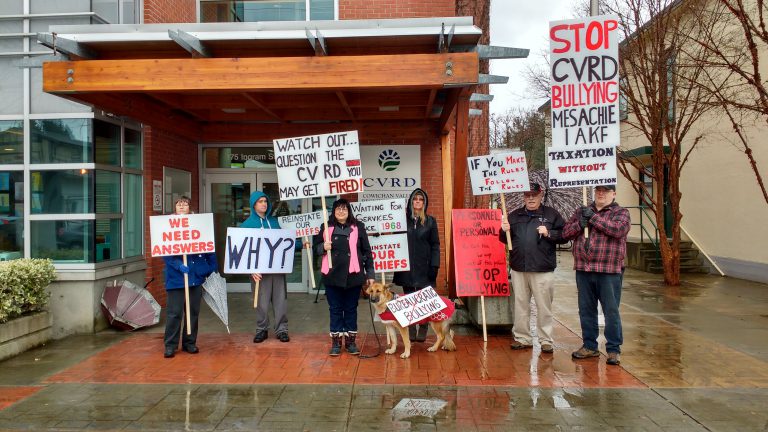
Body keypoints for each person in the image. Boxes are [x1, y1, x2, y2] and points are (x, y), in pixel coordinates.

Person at [562, 184, 630, 366]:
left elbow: (617, 230)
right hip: (584, 269)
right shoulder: (581, 211)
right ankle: (589, 345)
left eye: (606, 191)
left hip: (609, 271)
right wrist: (579, 224)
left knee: (611, 311)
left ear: (613, 194)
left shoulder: (621, 212)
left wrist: (593, 218)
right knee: (586, 310)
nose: (601, 193)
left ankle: (613, 349)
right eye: (598, 190)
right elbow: (566, 233)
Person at [499, 182, 566, 354]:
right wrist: (503, 230)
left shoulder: (552, 215)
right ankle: (523, 338)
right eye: (527, 195)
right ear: (524, 197)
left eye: (534, 195)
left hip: (542, 270)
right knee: (520, 305)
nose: (530, 198)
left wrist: (549, 233)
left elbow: (565, 235)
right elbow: (505, 240)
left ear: (540, 196)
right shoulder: (513, 215)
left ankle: (546, 340)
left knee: (544, 306)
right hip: (519, 268)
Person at [314, 199, 375, 356]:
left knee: (350, 309)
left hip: (353, 276)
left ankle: (350, 342)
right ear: (333, 211)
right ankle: (335, 343)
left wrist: (370, 274)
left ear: (349, 211)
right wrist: (323, 247)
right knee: (335, 310)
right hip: (332, 276)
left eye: (344, 209)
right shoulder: (325, 227)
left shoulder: (358, 227)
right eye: (338, 209)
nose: (341, 211)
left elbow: (367, 252)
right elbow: (316, 248)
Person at [162, 196, 218, 358]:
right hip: (176, 279)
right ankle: (170, 345)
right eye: (178, 203)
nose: (181, 205)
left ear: (189, 207)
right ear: (175, 207)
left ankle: (190, 342)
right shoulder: (167, 226)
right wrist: (178, 265)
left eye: (185, 203)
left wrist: (209, 268)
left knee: (192, 312)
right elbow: (165, 252)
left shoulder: (199, 225)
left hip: (195, 277)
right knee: (174, 313)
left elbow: (208, 248)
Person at [392, 188, 440, 342]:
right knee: (408, 299)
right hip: (406, 268)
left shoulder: (431, 221)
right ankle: (411, 327)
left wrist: (434, 265)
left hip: (424, 267)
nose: (418, 201)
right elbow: (395, 241)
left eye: (421, 199)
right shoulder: (402, 220)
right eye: (415, 199)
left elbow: (435, 245)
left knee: (423, 299)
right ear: (411, 202)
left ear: (424, 203)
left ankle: (424, 326)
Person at [241, 191, 290, 343]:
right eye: (260, 201)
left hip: (277, 269)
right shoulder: (246, 225)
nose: (264, 204)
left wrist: (301, 243)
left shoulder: (275, 223)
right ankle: (262, 329)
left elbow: (284, 243)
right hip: (259, 271)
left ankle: (282, 329)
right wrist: (250, 270)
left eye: (265, 201)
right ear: (253, 204)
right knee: (261, 302)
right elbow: (242, 250)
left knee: (280, 300)